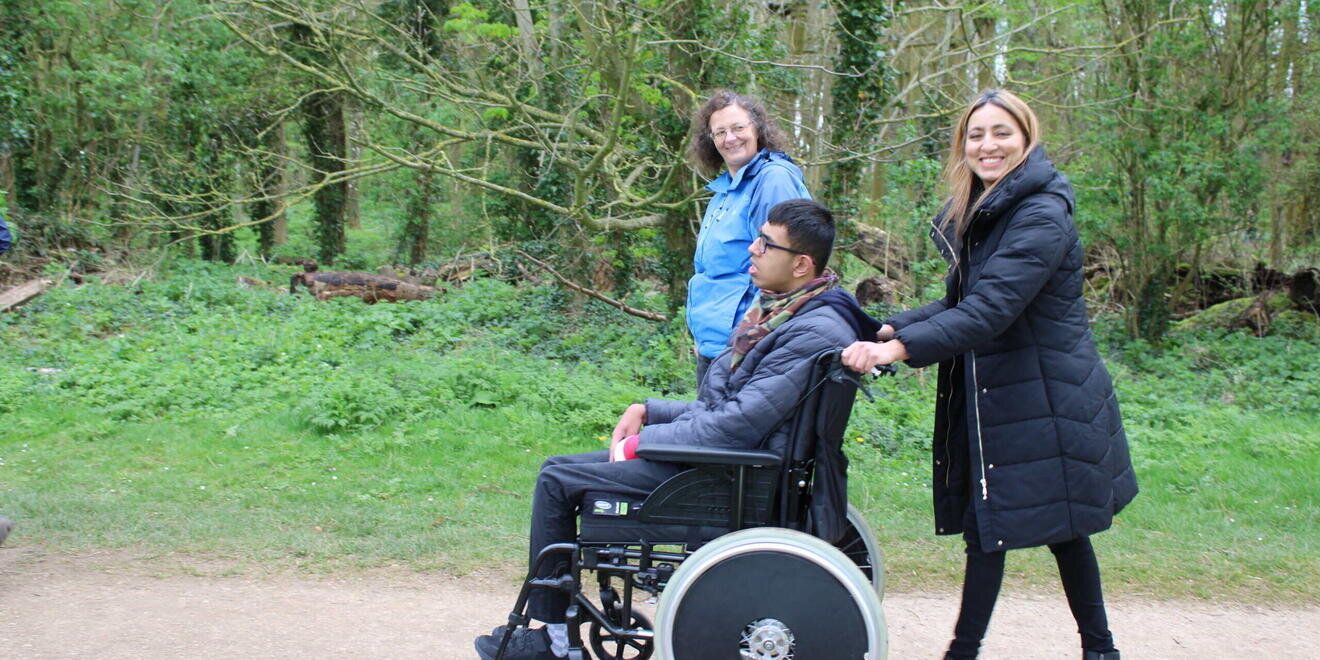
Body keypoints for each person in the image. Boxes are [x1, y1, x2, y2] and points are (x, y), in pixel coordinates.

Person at [475, 199, 877, 660]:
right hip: (730, 464)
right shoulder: (785, 314)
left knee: (556, 479)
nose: (752, 249)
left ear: (802, 264)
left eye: (765, 243)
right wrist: (648, 410)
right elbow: (724, 408)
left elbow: (733, 427)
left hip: (731, 477)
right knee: (559, 471)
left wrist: (641, 444)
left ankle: (551, 638)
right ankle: (553, 629)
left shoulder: (811, 330)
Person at [841, 90, 1137, 660]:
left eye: (1001, 133)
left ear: (1026, 138)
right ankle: (1096, 650)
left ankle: (978, 651)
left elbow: (989, 311)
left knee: (1027, 530)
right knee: (1035, 529)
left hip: (1049, 398)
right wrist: (886, 327)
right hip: (1018, 396)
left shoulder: (1041, 212)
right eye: (976, 135)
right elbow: (962, 299)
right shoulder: (991, 208)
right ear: (963, 146)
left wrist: (896, 351)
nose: (987, 145)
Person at [686, 90, 812, 387]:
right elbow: (715, 274)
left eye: (738, 128)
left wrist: (747, 341)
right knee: (706, 430)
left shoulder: (772, 180)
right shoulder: (725, 189)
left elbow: (785, 267)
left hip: (745, 348)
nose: (730, 139)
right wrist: (705, 338)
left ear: (758, 129)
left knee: (724, 433)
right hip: (716, 346)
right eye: (720, 132)